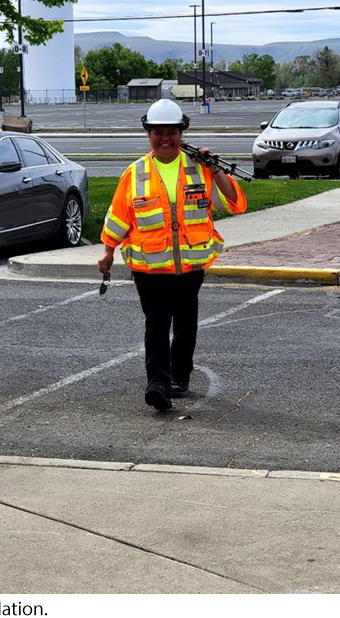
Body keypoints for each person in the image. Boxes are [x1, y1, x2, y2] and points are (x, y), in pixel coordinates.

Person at [98, 99, 247, 412]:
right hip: (149, 269)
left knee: (186, 324)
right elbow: (118, 217)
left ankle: (180, 376)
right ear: (148, 134)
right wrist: (108, 252)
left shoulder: (199, 169)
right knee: (157, 322)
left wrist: (215, 169)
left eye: (171, 132)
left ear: (182, 133)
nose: (165, 137)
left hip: (190, 266)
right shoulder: (135, 173)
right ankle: (158, 385)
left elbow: (234, 202)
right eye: (157, 132)